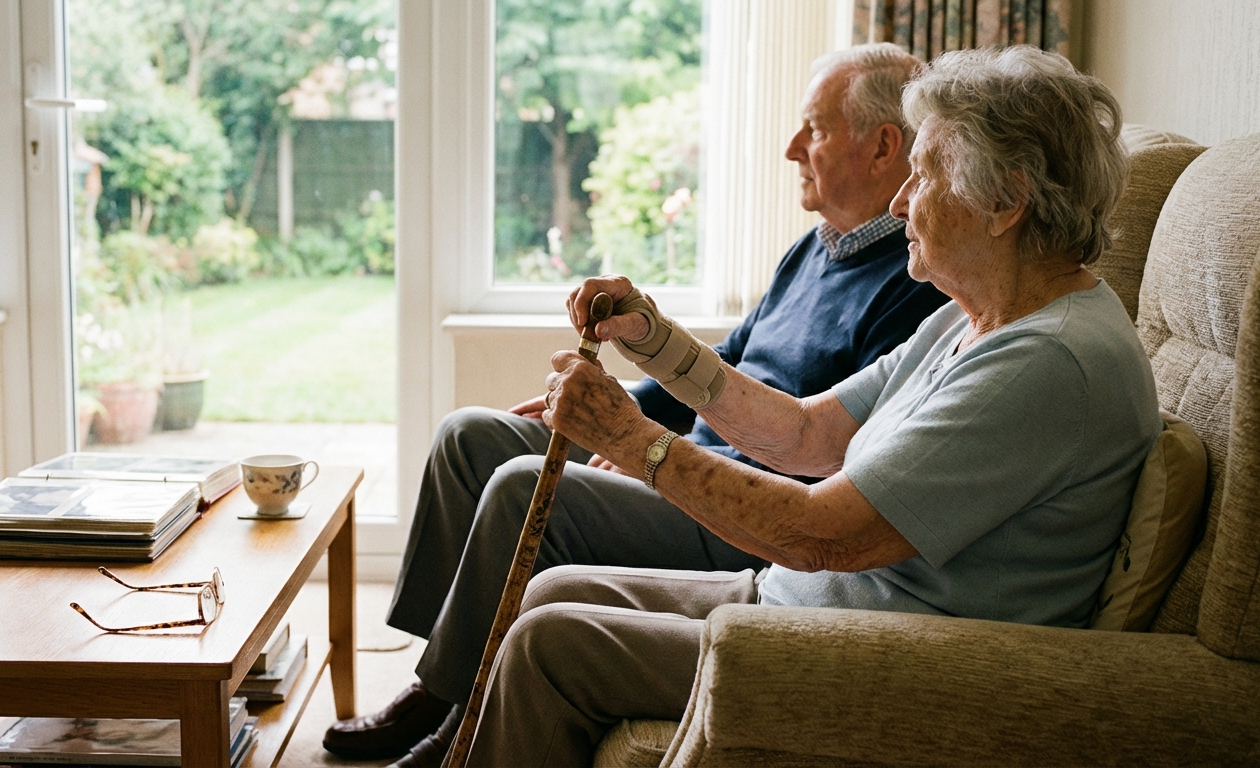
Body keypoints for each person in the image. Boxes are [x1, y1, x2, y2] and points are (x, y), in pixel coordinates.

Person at [462, 45, 1161, 766]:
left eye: (924, 174)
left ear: (1006, 202)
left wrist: (634, 441)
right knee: (551, 592)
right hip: (805, 605)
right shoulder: (972, 317)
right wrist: (652, 338)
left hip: (882, 657)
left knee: (550, 643)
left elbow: (826, 536)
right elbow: (805, 433)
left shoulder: (1047, 363)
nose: (899, 201)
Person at [323, 43, 951, 766]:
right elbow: (727, 367)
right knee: (469, 438)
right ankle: (439, 683)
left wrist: (650, 452)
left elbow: (828, 456)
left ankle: (452, 719)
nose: (790, 148)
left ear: (883, 147)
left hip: (735, 503)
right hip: (689, 458)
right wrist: (627, 404)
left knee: (520, 489)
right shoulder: (817, 248)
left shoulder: (916, 283)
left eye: (813, 129)